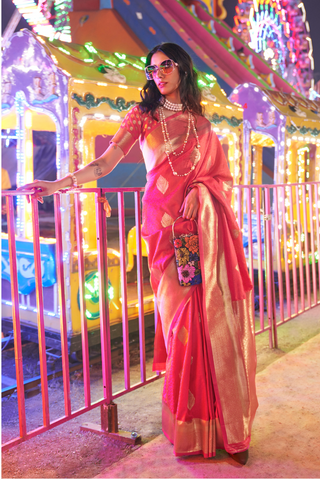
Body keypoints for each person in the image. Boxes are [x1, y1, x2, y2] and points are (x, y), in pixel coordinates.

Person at [18, 43, 258, 465]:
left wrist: (202, 193)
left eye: (166, 65)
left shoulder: (202, 124)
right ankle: (188, 425)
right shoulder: (142, 115)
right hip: (164, 234)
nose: (158, 73)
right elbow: (105, 165)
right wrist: (54, 186)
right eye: (152, 68)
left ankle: (219, 425)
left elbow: (220, 178)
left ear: (182, 68)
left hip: (199, 230)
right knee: (181, 324)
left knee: (209, 323)